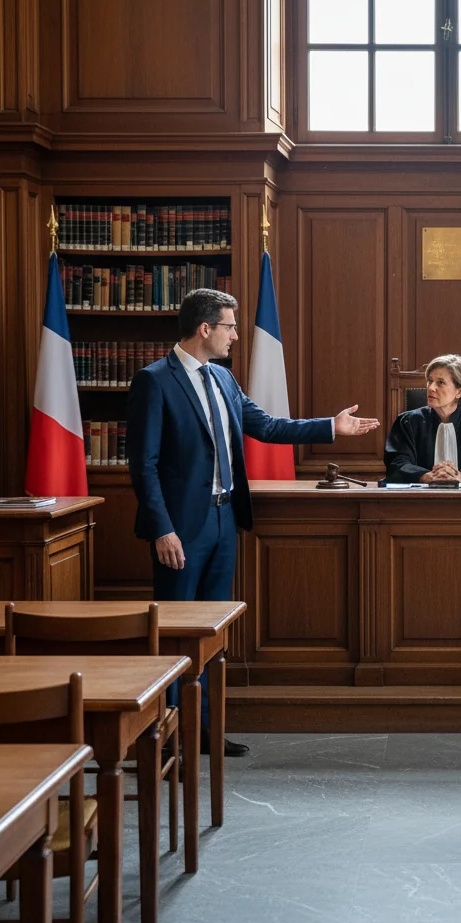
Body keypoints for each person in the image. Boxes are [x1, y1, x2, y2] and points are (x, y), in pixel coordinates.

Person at [127, 288, 380, 755]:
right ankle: (169, 736)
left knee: (212, 634)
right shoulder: (154, 381)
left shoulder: (223, 378)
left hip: (225, 520)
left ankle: (204, 732)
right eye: (230, 326)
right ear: (205, 328)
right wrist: (162, 528)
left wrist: (331, 426)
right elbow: (143, 465)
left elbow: (266, 426)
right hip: (180, 529)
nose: (236, 336)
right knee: (175, 634)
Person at [383, 354, 461, 484]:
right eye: (430, 381)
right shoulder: (407, 422)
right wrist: (425, 476)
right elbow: (396, 464)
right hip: (420, 495)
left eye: (441, 383)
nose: (430, 388)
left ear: (460, 392)